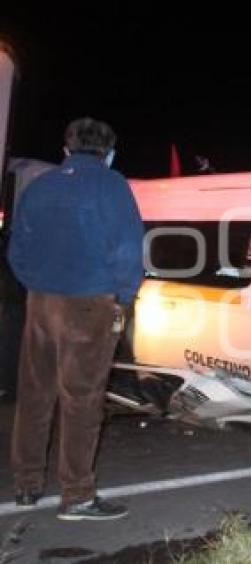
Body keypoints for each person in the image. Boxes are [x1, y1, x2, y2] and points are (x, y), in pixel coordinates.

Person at [7, 117, 144, 520]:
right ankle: (78, 496)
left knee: (34, 393)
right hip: (89, 305)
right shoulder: (112, 184)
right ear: (109, 152)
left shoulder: (41, 185)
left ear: (66, 150)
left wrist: (37, 283)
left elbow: (17, 249)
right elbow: (128, 250)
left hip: (40, 302)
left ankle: (27, 485)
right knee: (81, 399)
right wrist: (122, 298)